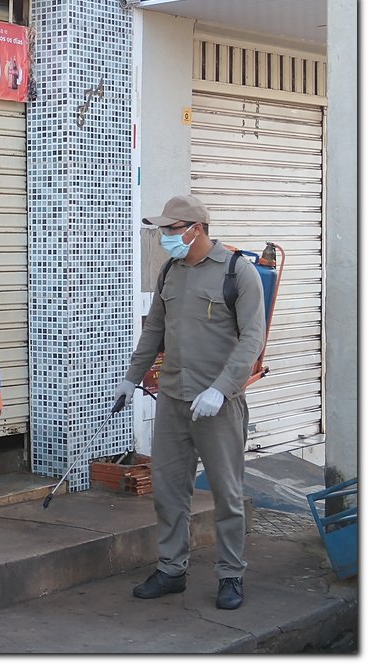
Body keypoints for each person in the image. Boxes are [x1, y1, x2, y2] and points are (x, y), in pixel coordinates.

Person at [113, 195, 265, 611]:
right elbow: (154, 330)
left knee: (227, 494)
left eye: (171, 229)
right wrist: (131, 378)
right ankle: (171, 568)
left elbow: (252, 337)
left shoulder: (238, 272)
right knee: (168, 489)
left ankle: (231, 575)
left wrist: (222, 387)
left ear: (195, 228)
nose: (165, 237)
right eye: (163, 230)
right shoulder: (170, 271)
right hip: (174, 399)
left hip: (218, 404)